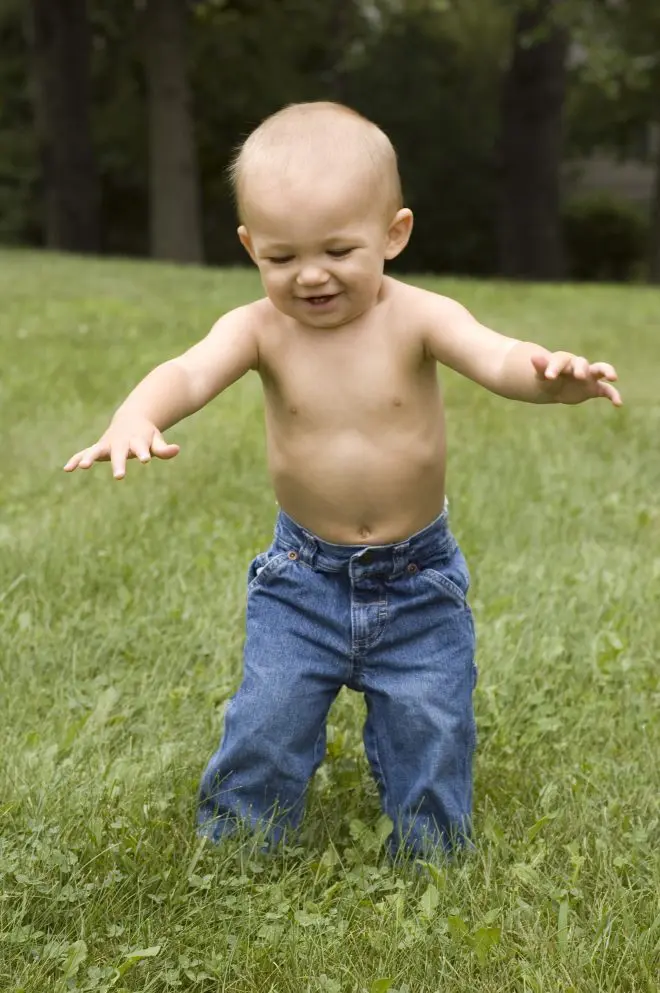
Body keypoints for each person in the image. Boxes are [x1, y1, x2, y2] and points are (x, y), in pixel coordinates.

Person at [64, 102, 622, 860]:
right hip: (304, 580)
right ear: (250, 245)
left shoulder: (418, 316)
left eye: (337, 249)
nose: (310, 275)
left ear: (394, 234)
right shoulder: (258, 327)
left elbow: (495, 355)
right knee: (267, 715)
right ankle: (240, 842)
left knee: (433, 719)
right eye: (282, 257)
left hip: (419, 581)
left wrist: (549, 375)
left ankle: (429, 848)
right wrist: (138, 413)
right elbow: (189, 370)